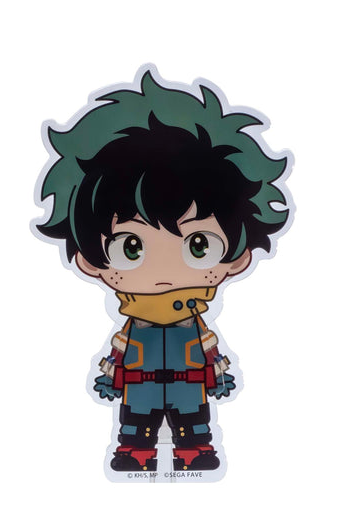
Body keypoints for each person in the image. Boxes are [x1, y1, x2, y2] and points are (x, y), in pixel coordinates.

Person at [35, 68, 292, 473]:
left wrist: (218, 374)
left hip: (189, 387)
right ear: (87, 258)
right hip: (140, 388)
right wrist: (109, 376)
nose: (164, 273)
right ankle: (135, 451)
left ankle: (195, 451)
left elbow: (210, 350)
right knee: (137, 424)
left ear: (238, 256)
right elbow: (119, 352)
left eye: (198, 245)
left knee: (193, 422)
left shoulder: (197, 326)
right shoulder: (132, 328)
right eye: (131, 247)